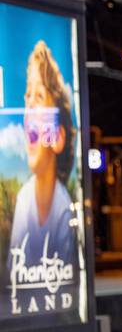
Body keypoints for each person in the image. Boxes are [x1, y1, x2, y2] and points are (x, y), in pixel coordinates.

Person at [6, 41, 79, 311]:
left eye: (39, 97)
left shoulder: (64, 209)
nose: (28, 109)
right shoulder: (25, 198)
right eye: (27, 96)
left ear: (58, 136)